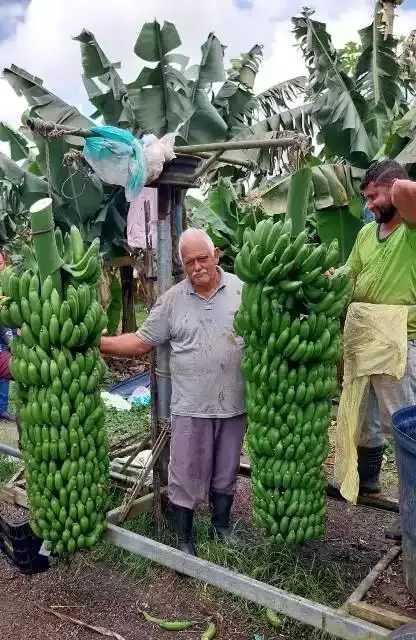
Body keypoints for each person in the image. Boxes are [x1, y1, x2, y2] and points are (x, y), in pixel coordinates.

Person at [100, 229, 246, 555]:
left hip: (234, 405)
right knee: (186, 476)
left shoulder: (242, 291)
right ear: (183, 265)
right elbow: (140, 341)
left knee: (226, 470)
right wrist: (100, 343)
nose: (197, 267)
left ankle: (222, 528)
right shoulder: (173, 300)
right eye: (189, 261)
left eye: (202, 258)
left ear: (216, 255)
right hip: (190, 407)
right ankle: (184, 540)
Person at [330, 160, 416, 540]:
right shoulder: (367, 234)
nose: (368, 205)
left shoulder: (411, 230)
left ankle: (408, 511)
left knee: (399, 426)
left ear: (393, 188)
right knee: (358, 416)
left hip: (398, 340)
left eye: (373, 195)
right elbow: (349, 274)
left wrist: (396, 187)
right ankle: (367, 482)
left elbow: (407, 196)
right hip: (362, 337)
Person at [0, 250, 15, 422]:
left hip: (7, 322)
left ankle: (2, 408)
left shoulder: (10, 280)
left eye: (1, 263)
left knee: (6, 360)